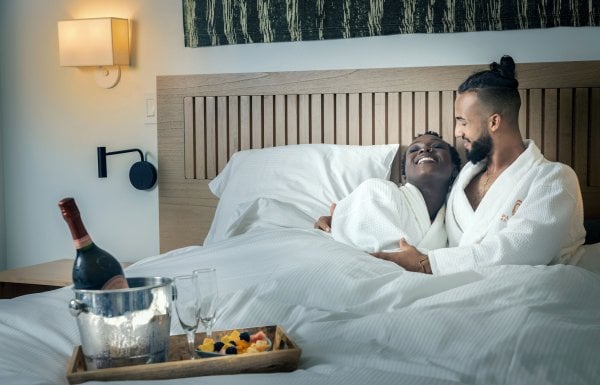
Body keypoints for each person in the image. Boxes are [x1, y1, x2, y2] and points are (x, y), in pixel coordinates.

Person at [370, 55, 586, 275]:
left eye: (462, 122)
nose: (456, 132)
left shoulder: (554, 179)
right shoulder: (464, 177)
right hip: (454, 287)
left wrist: (428, 263)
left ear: (494, 122)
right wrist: (343, 217)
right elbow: (427, 217)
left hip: (525, 289)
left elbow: (522, 250)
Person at [315, 132, 461, 272]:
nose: (425, 149)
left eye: (437, 147)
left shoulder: (452, 222)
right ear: (404, 173)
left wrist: (425, 262)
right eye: (415, 149)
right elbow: (370, 256)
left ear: (454, 169)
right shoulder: (378, 190)